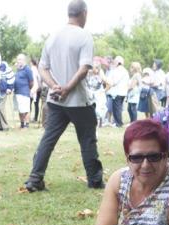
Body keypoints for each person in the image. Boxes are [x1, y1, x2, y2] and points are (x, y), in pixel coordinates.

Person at [23, 0, 103, 192]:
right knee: (87, 140)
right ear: (84, 13)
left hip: (56, 99)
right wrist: (67, 88)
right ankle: (94, 180)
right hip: (79, 100)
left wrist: (54, 86)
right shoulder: (84, 36)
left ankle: (34, 179)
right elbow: (84, 68)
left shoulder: (53, 36)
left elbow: (42, 67)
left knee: (48, 139)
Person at [105, 56, 129, 127]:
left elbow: (114, 81)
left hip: (118, 92)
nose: (114, 63)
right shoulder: (123, 70)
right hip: (121, 92)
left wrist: (108, 85)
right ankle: (117, 122)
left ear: (119, 62)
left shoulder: (119, 70)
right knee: (117, 108)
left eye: (115, 61)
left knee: (117, 109)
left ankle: (118, 123)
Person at [13, 54, 34, 129]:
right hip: (17, 92)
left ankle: (26, 125)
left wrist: (28, 88)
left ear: (24, 60)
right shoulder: (18, 69)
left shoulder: (27, 69)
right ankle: (22, 124)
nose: (18, 61)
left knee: (25, 109)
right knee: (20, 109)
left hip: (24, 92)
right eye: (18, 59)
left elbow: (31, 81)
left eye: (20, 59)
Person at [30, 57, 42, 123]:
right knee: (36, 104)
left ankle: (31, 117)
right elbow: (40, 79)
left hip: (34, 88)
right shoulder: (38, 69)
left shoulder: (32, 69)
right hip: (38, 88)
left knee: (30, 103)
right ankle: (35, 117)